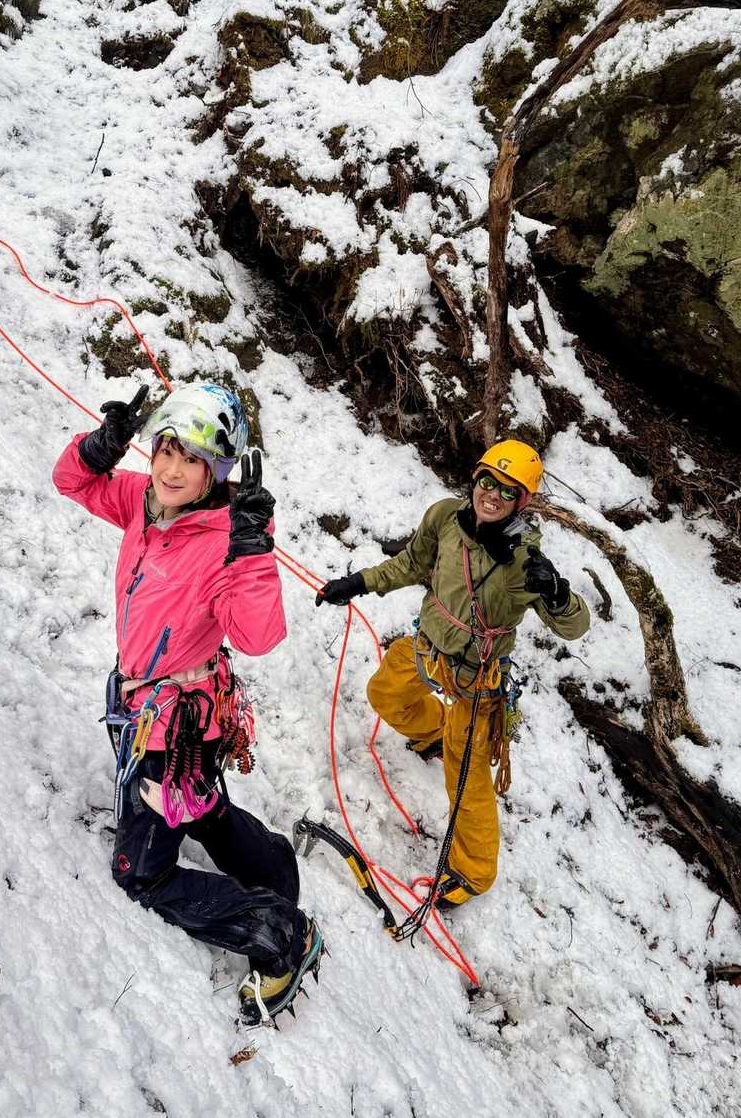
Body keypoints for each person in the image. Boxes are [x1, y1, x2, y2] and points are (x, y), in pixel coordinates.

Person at [53, 380, 322, 1025]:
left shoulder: (227, 542)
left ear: (217, 472)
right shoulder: (145, 503)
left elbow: (257, 635)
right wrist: (100, 447)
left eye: (191, 460)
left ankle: (280, 934)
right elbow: (73, 482)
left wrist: (252, 551)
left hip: (171, 726)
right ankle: (272, 866)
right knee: (199, 805)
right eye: (166, 450)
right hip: (154, 705)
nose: (171, 470)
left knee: (141, 873)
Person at [315, 438, 589, 909]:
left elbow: (574, 626)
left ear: (521, 501)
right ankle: (433, 733)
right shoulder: (445, 518)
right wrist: (360, 582)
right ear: (475, 478)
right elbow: (411, 563)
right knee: (385, 694)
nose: (492, 495)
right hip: (428, 648)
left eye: (507, 491)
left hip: (477, 678)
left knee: (466, 776)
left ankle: (474, 872)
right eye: (487, 481)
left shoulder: (525, 563)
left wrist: (558, 593)